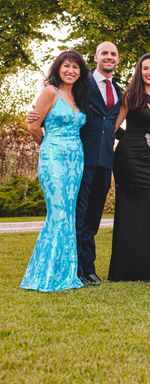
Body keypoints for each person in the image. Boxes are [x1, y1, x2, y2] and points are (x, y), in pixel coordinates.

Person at [26, 41, 122, 286]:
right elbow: (36, 122)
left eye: (113, 54)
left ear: (118, 59)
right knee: (70, 214)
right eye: (104, 53)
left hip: (95, 160)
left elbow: (111, 123)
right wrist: (47, 146)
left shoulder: (114, 90)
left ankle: (85, 266)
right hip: (73, 157)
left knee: (91, 218)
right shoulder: (83, 85)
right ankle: (76, 268)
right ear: (96, 57)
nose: (109, 57)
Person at [22, 50, 90, 292]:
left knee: (68, 215)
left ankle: (66, 272)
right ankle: (47, 275)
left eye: (75, 67)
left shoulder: (78, 97)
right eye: (66, 66)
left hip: (76, 160)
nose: (71, 70)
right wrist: (48, 147)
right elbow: (32, 126)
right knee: (59, 214)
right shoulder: (50, 92)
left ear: (81, 72)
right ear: (58, 68)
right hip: (53, 158)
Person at [108, 53, 150, 281]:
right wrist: (131, 140)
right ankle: (127, 270)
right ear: (139, 71)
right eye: (145, 69)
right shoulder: (130, 95)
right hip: (129, 159)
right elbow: (114, 127)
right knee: (131, 212)